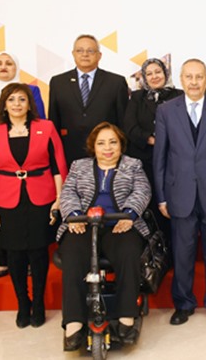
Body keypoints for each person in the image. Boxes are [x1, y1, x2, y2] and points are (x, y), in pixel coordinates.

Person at [153, 59, 206, 325]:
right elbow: (160, 157)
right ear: (181, 79)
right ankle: (184, 303)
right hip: (179, 194)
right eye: (189, 77)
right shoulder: (166, 111)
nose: (193, 82)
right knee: (182, 252)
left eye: (199, 77)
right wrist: (162, 196)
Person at [57, 122, 149, 350]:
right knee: (73, 257)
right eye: (101, 143)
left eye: (112, 142)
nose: (107, 148)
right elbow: (67, 192)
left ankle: (127, 317)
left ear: (120, 145)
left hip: (120, 224)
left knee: (129, 252)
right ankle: (74, 323)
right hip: (83, 225)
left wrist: (128, 216)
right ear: (93, 147)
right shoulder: (79, 166)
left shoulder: (133, 165)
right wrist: (75, 215)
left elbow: (142, 190)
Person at [0, 84, 67, 328]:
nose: (17, 104)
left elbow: (58, 165)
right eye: (11, 100)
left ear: (30, 104)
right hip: (6, 198)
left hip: (42, 196)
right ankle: (22, 303)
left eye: (22, 99)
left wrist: (60, 198)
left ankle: (38, 303)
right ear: (4, 105)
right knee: (15, 253)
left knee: (38, 252)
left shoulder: (45, 128)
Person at [123, 58, 182, 247]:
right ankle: (151, 252)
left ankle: (173, 251)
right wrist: (152, 139)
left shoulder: (179, 96)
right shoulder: (137, 97)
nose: (154, 76)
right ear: (144, 77)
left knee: (174, 205)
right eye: (149, 73)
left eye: (158, 72)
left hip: (175, 161)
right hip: (146, 160)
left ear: (166, 74)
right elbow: (129, 127)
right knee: (151, 205)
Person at [0, 51, 48, 280]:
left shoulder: (32, 91)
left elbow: (39, 124)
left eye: (9, 63)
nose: (4, 66)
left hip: (26, 166)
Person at [48, 34, 129, 163]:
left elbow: (123, 122)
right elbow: (54, 119)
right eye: (80, 50)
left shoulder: (116, 82)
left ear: (99, 55)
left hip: (107, 154)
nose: (85, 54)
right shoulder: (58, 82)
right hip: (69, 151)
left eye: (90, 51)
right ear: (73, 54)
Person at [0, 52, 45, 118]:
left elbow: (39, 119)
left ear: (16, 67)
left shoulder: (31, 90)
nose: (3, 67)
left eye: (9, 64)